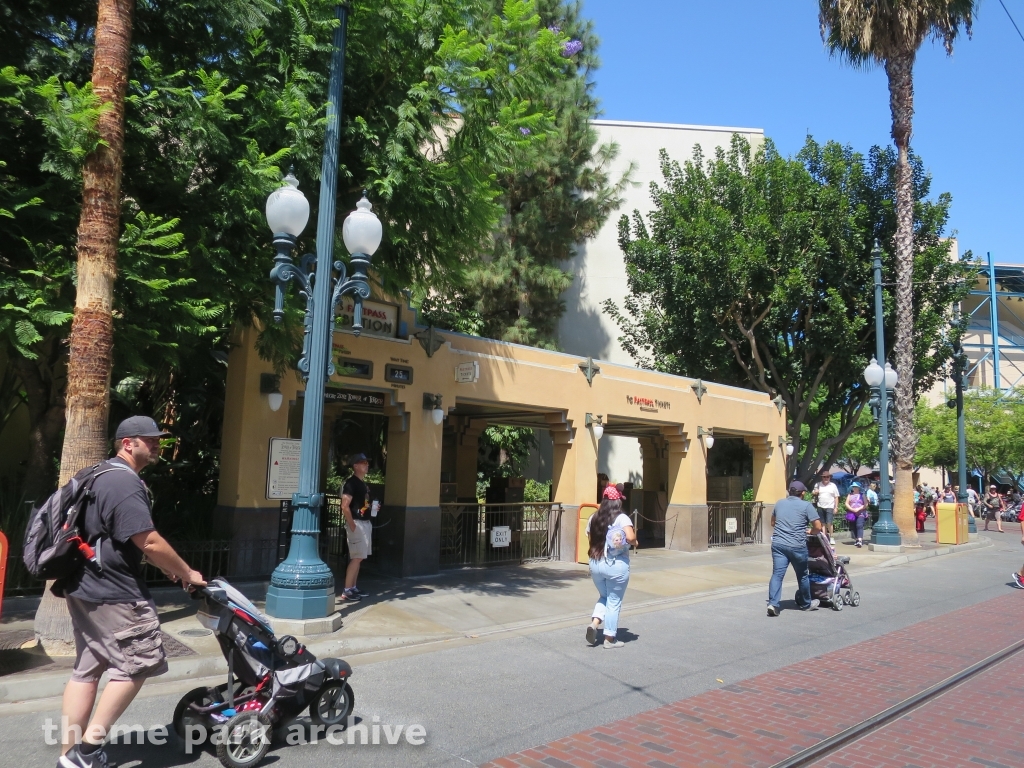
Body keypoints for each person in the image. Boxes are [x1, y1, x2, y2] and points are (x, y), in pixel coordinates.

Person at [58, 416, 207, 768]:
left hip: (84, 586)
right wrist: (188, 572)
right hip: (115, 592)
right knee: (136, 667)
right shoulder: (124, 484)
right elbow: (149, 541)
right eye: (149, 440)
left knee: (87, 669)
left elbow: (117, 539)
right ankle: (89, 750)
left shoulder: (95, 474)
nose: (157, 445)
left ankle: (69, 755)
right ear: (128, 443)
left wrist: (168, 570)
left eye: (158, 439)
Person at [584, 486, 636, 648]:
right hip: (615, 565)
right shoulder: (622, 518)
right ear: (618, 501)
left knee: (604, 596)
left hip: (595, 563)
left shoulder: (593, 517)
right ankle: (609, 639)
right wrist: (633, 542)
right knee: (614, 600)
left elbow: (589, 538)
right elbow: (631, 537)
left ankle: (594, 624)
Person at [767, 481, 822, 616]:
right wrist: (810, 532)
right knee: (802, 575)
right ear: (802, 493)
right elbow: (818, 527)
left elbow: (773, 522)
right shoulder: (806, 505)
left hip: (778, 545)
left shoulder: (780, 503)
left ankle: (773, 604)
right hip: (797, 546)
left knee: (777, 574)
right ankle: (805, 603)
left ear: (789, 492)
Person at [340, 454, 373, 602]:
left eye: (367, 463)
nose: (366, 465)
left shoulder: (362, 484)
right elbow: (345, 505)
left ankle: (353, 587)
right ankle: (347, 590)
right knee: (357, 557)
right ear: (355, 466)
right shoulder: (351, 483)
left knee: (359, 557)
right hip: (357, 523)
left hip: (364, 522)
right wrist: (352, 523)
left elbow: (363, 505)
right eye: (363, 463)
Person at [811, 471, 839, 546]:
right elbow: (813, 492)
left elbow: (836, 497)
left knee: (829, 522)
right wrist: (815, 492)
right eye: (824, 477)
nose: (826, 478)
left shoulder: (833, 485)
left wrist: (836, 507)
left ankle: (832, 537)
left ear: (830, 477)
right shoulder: (818, 485)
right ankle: (825, 537)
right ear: (822, 477)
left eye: (827, 477)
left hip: (830, 506)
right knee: (822, 523)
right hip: (820, 505)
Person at [844, 482, 868, 548]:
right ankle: (857, 540)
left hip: (861, 513)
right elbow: (846, 503)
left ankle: (860, 540)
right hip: (852, 513)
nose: (855, 488)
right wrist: (852, 509)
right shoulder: (849, 495)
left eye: (856, 487)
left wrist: (859, 509)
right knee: (854, 526)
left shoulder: (862, 495)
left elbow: (866, 504)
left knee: (859, 525)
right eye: (854, 487)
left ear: (859, 488)